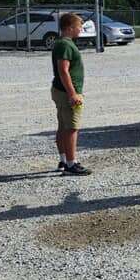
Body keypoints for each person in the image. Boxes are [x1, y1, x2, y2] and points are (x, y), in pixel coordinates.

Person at [51, 12, 91, 175]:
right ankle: (71, 164)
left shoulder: (62, 43)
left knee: (63, 126)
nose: (81, 29)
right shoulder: (66, 45)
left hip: (60, 91)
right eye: (79, 26)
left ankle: (64, 159)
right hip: (66, 92)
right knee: (72, 128)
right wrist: (72, 93)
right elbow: (63, 70)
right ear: (69, 28)